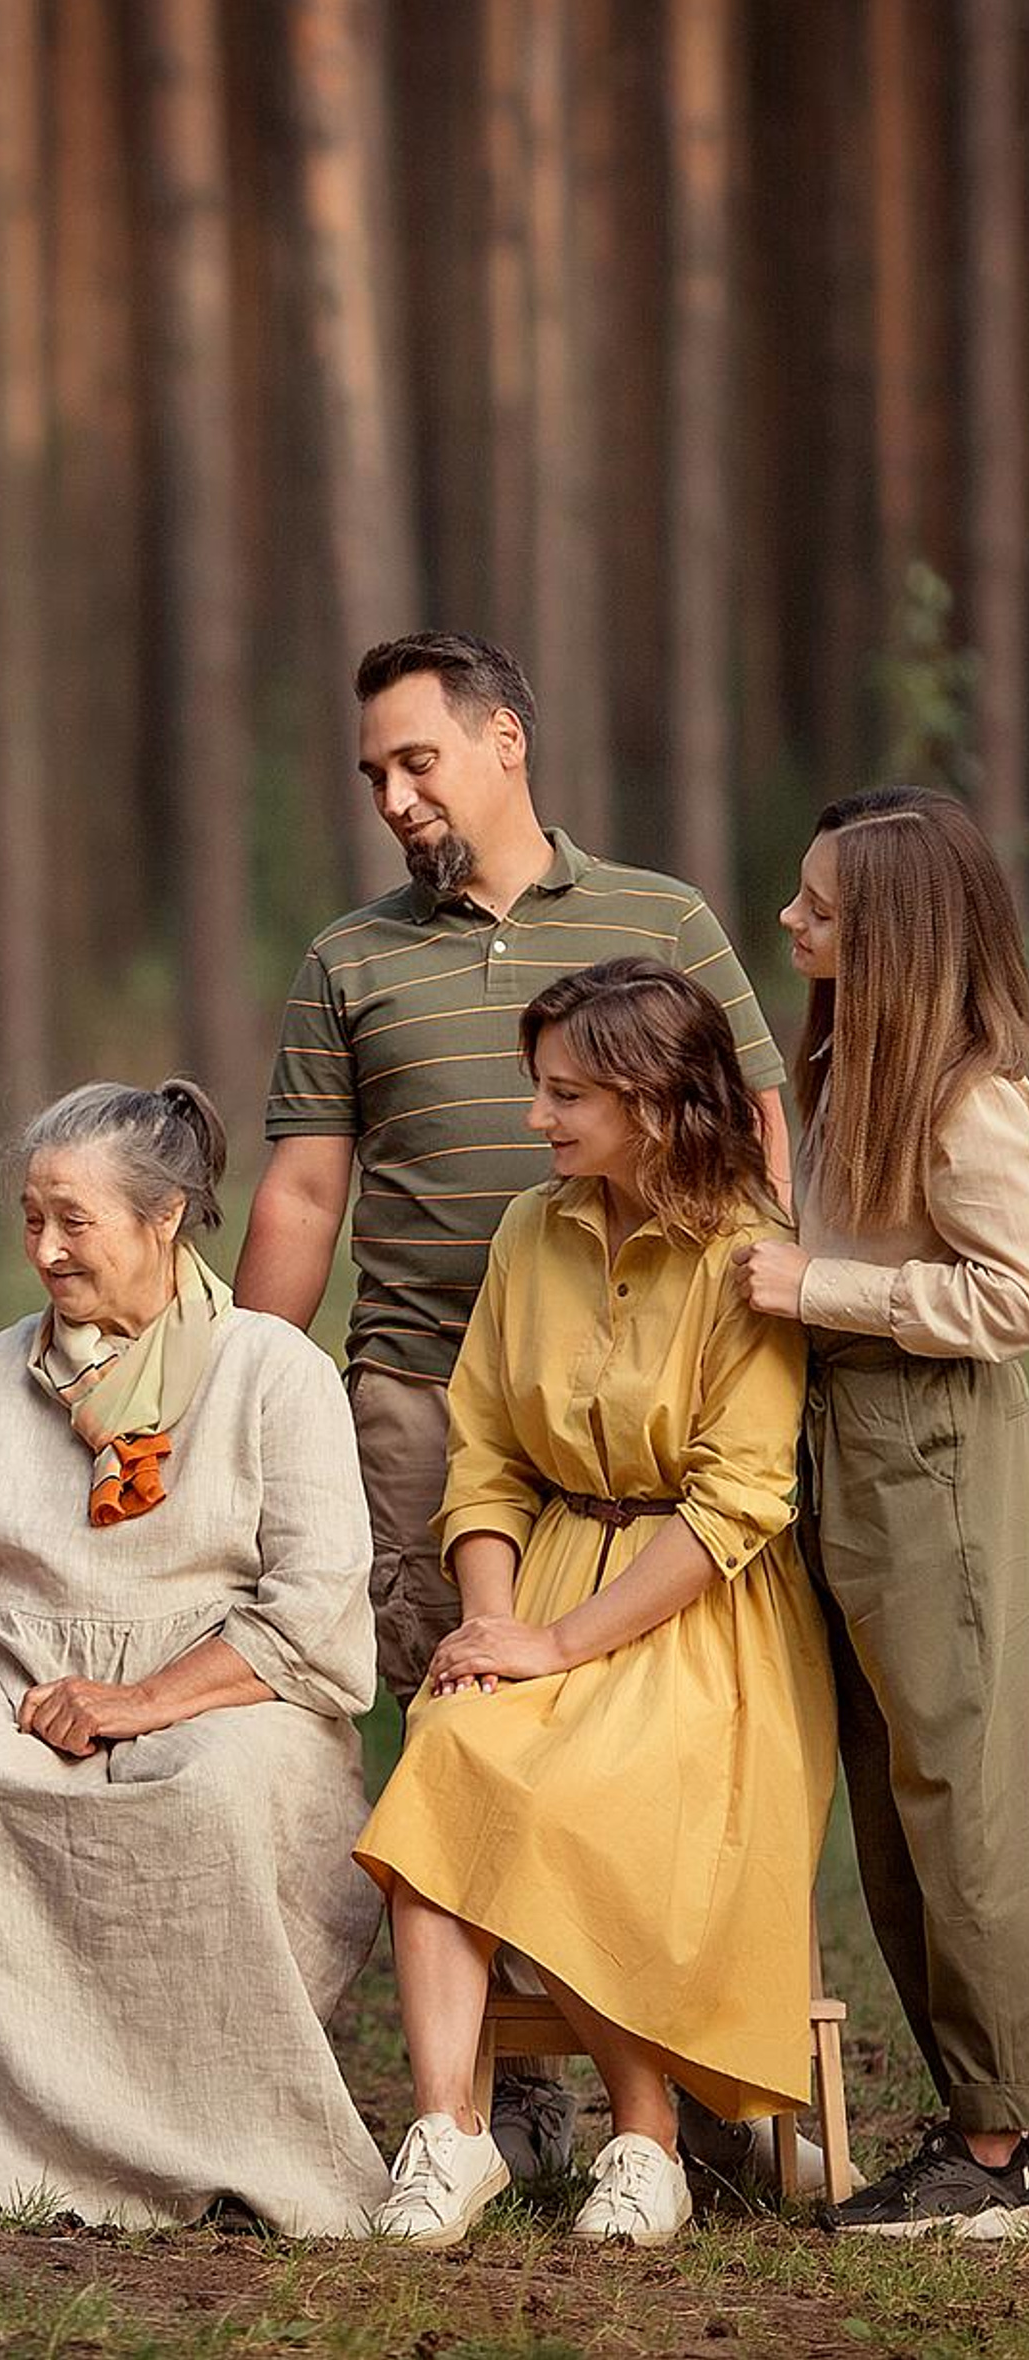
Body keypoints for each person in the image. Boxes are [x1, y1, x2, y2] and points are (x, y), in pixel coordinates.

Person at [238, 628, 788, 2191]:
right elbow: (300, 1188)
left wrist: (755, 1311)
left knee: (628, 1737)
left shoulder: (659, 919)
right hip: (433, 1384)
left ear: (504, 742)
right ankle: (495, 2108)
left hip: (664, 1420)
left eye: (418, 759)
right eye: (372, 775)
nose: (396, 795)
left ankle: (666, 2103)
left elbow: (753, 1125)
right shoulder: (351, 958)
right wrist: (250, 1399)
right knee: (459, 1693)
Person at [0, 1081, 387, 2237]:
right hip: (5, 1684)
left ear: (166, 1217)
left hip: (224, 1689)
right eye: (29, 1217)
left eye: (74, 1220)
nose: (44, 1248)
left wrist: (136, 1703)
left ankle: (206, 2142)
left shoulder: (271, 1371)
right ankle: (9, 2149)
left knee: (209, 1791)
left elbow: (312, 1610)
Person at [356, 961, 836, 2250]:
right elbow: (484, 1457)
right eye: (540, 1088)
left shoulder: (749, 1251)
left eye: (566, 1093)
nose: (537, 1119)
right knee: (451, 1744)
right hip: (541, 1574)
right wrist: (488, 1631)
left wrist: (557, 1646)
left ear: (655, 1101)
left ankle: (646, 2139)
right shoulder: (531, 1229)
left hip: (701, 1609)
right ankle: (448, 2137)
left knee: (583, 1789)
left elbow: (738, 1502)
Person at [739, 788, 1029, 2237]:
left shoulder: (971, 1098)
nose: (791, 920)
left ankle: (998, 2154)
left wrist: (821, 1289)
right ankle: (980, 2122)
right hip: (851, 1450)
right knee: (891, 1804)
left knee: (958, 1799)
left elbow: (1015, 1295)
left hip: (934, 1458)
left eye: (822, 907)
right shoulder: (858, 1062)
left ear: (899, 933)